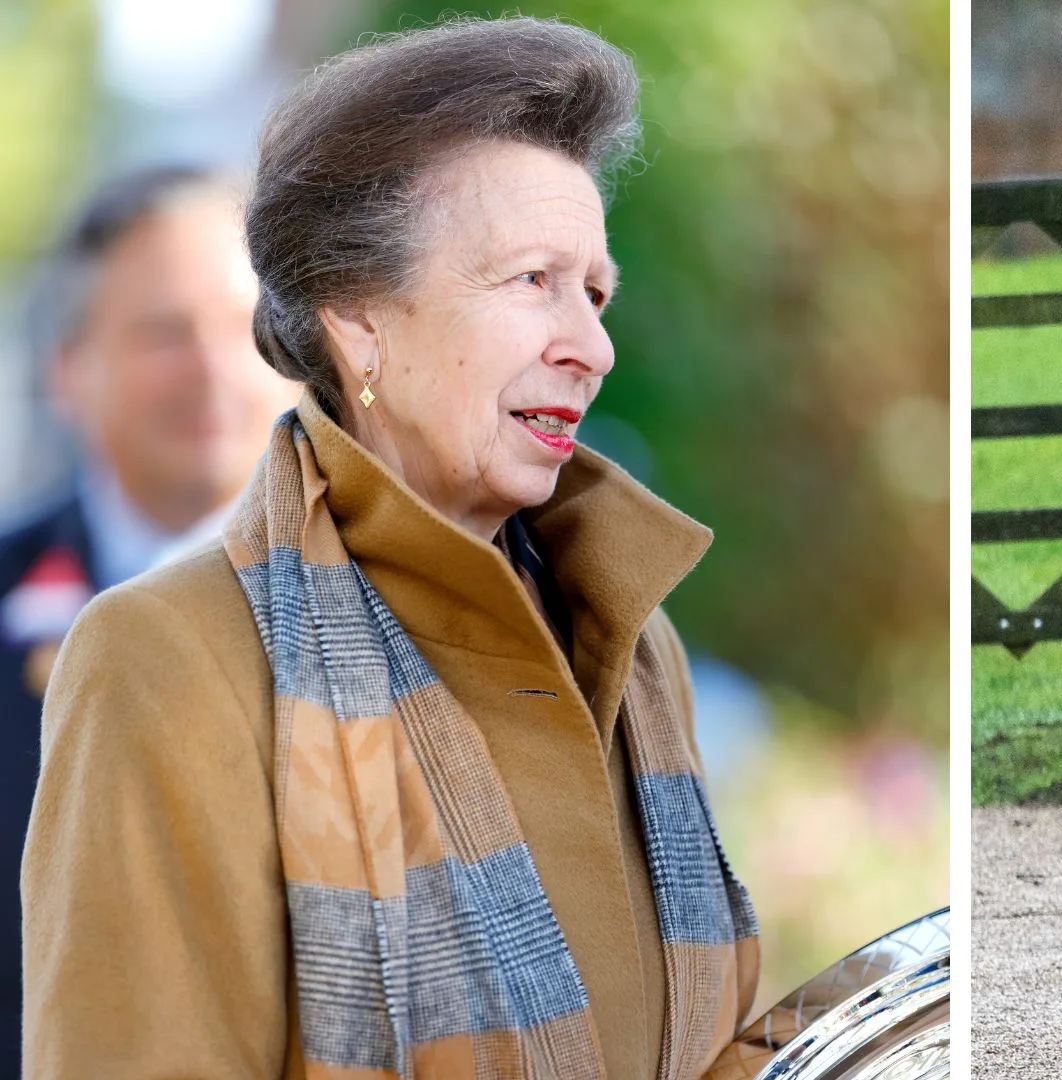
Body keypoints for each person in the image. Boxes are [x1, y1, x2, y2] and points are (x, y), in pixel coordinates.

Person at [24, 17, 758, 1078]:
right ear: (361, 320)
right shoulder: (162, 658)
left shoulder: (637, 644)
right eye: (530, 282)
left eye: (593, 291)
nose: (590, 346)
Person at [0, 165, 297, 1077]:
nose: (211, 369)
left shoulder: (398, 600)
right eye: (166, 332)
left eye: (243, 330)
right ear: (70, 370)